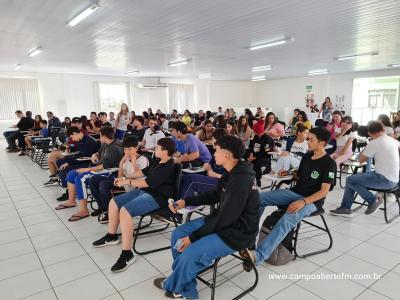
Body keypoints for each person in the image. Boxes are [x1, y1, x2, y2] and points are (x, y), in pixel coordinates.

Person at [152, 135, 260, 299]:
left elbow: (225, 219)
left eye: (215, 150)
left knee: (189, 252)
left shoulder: (241, 180)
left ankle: (176, 285)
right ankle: (183, 284)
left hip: (236, 233)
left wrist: (194, 238)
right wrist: (186, 201)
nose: (213, 154)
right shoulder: (232, 172)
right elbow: (216, 194)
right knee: (178, 235)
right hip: (222, 222)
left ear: (227, 155)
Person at [245, 127, 335, 265]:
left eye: (311, 139)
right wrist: (287, 173)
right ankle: (250, 238)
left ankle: (259, 255)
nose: (307, 142)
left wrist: (303, 202)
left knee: (288, 217)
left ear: (322, 143)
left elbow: (324, 191)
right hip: (295, 192)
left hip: (312, 201)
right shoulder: (307, 156)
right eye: (307, 138)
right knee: (259, 198)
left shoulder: (329, 163)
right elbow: (298, 176)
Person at [92, 138, 177, 272]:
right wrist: (125, 178)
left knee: (125, 211)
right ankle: (111, 236)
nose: (155, 149)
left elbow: (147, 183)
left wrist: (127, 182)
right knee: (114, 202)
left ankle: (127, 254)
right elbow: (143, 173)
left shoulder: (170, 166)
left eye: (158, 148)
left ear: (165, 151)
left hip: (159, 198)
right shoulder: (158, 161)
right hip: (145, 192)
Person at [330, 121, 399, 217]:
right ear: (383, 129)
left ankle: (372, 200)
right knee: (354, 179)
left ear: (369, 133)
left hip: (384, 180)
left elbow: (361, 160)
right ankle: (345, 208)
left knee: (350, 180)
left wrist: (367, 146)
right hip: (395, 179)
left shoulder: (375, 143)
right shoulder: (393, 140)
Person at [55, 126, 123, 221]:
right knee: (72, 174)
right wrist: (94, 155)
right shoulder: (106, 143)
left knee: (80, 178)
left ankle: (84, 210)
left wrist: (86, 169)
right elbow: (98, 153)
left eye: (100, 135)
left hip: (109, 172)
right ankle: (71, 201)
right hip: (100, 168)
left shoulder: (114, 147)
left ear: (103, 136)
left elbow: (105, 166)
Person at [89, 135, 149, 223]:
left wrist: (133, 163)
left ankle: (109, 212)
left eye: (130, 149)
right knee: (93, 180)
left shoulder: (143, 159)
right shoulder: (125, 159)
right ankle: (103, 208)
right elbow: (120, 178)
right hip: (125, 184)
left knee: (103, 185)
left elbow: (139, 177)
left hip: (136, 187)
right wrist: (121, 165)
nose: (127, 152)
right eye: (125, 149)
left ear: (136, 148)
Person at [179, 128, 228, 199]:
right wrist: (208, 168)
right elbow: (208, 165)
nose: (212, 140)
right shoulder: (217, 153)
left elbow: (232, 179)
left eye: (213, 138)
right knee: (183, 177)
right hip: (211, 177)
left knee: (191, 180)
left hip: (222, 183)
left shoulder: (228, 155)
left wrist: (213, 174)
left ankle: (183, 205)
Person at [246, 119, 275, 187]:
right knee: (245, 158)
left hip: (264, 157)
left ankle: (259, 182)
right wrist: (251, 154)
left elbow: (267, 152)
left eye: (254, 130)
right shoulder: (256, 137)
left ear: (257, 131)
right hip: (255, 156)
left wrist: (255, 157)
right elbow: (251, 147)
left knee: (256, 164)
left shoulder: (267, 139)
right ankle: (249, 180)